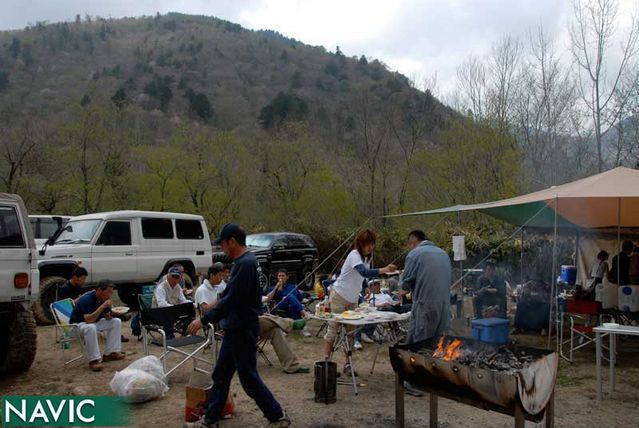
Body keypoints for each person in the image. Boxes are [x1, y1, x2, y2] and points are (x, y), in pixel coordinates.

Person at [186, 223, 290, 428]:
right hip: (235, 328)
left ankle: (277, 417)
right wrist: (214, 305)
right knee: (221, 375)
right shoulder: (244, 262)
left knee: (249, 380)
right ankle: (210, 419)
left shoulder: (245, 264)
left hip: (242, 329)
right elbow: (229, 294)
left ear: (232, 241)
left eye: (223, 243)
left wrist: (203, 320)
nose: (222, 248)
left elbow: (232, 300)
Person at [322, 229, 396, 370]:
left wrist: (364, 286)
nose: (370, 247)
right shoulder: (354, 255)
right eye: (367, 244)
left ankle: (348, 363)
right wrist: (384, 269)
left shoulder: (365, 258)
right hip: (339, 296)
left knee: (351, 332)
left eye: (372, 244)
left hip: (353, 299)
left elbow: (359, 275)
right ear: (361, 243)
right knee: (333, 329)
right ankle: (326, 363)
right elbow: (364, 272)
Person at [400, 229, 451, 344]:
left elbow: (405, 285)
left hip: (425, 306)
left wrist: (402, 289)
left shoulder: (414, 254)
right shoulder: (443, 254)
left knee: (421, 345)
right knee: (439, 344)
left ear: (412, 242)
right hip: (445, 306)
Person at [70, 280, 125, 372]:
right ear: (99, 290)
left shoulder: (104, 299)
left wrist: (116, 313)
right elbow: (88, 320)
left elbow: (108, 317)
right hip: (77, 325)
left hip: (93, 323)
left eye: (111, 292)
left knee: (116, 322)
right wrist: (102, 306)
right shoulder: (86, 299)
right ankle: (93, 360)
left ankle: (111, 353)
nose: (110, 295)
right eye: (108, 292)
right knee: (91, 327)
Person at [153, 266, 191, 339]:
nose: (174, 279)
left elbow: (182, 300)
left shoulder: (178, 287)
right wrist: (174, 308)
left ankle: (185, 331)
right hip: (158, 312)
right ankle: (169, 336)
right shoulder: (161, 287)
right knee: (167, 311)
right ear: (168, 276)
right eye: (173, 276)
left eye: (177, 277)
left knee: (189, 308)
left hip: (172, 310)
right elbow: (161, 304)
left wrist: (191, 304)